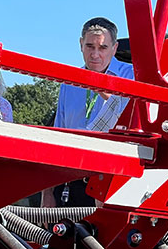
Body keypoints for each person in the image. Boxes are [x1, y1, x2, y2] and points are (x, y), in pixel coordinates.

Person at [44, 17, 134, 208]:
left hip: (110, 182)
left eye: (102, 48)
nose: (95, 54)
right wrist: (47, 193)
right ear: (80, 45)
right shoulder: (69, 82)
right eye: (90, 46)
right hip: (71, 182)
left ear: (114, 48)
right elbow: (57, 135)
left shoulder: (132, 77)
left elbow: (132, 126)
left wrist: (106, 93)